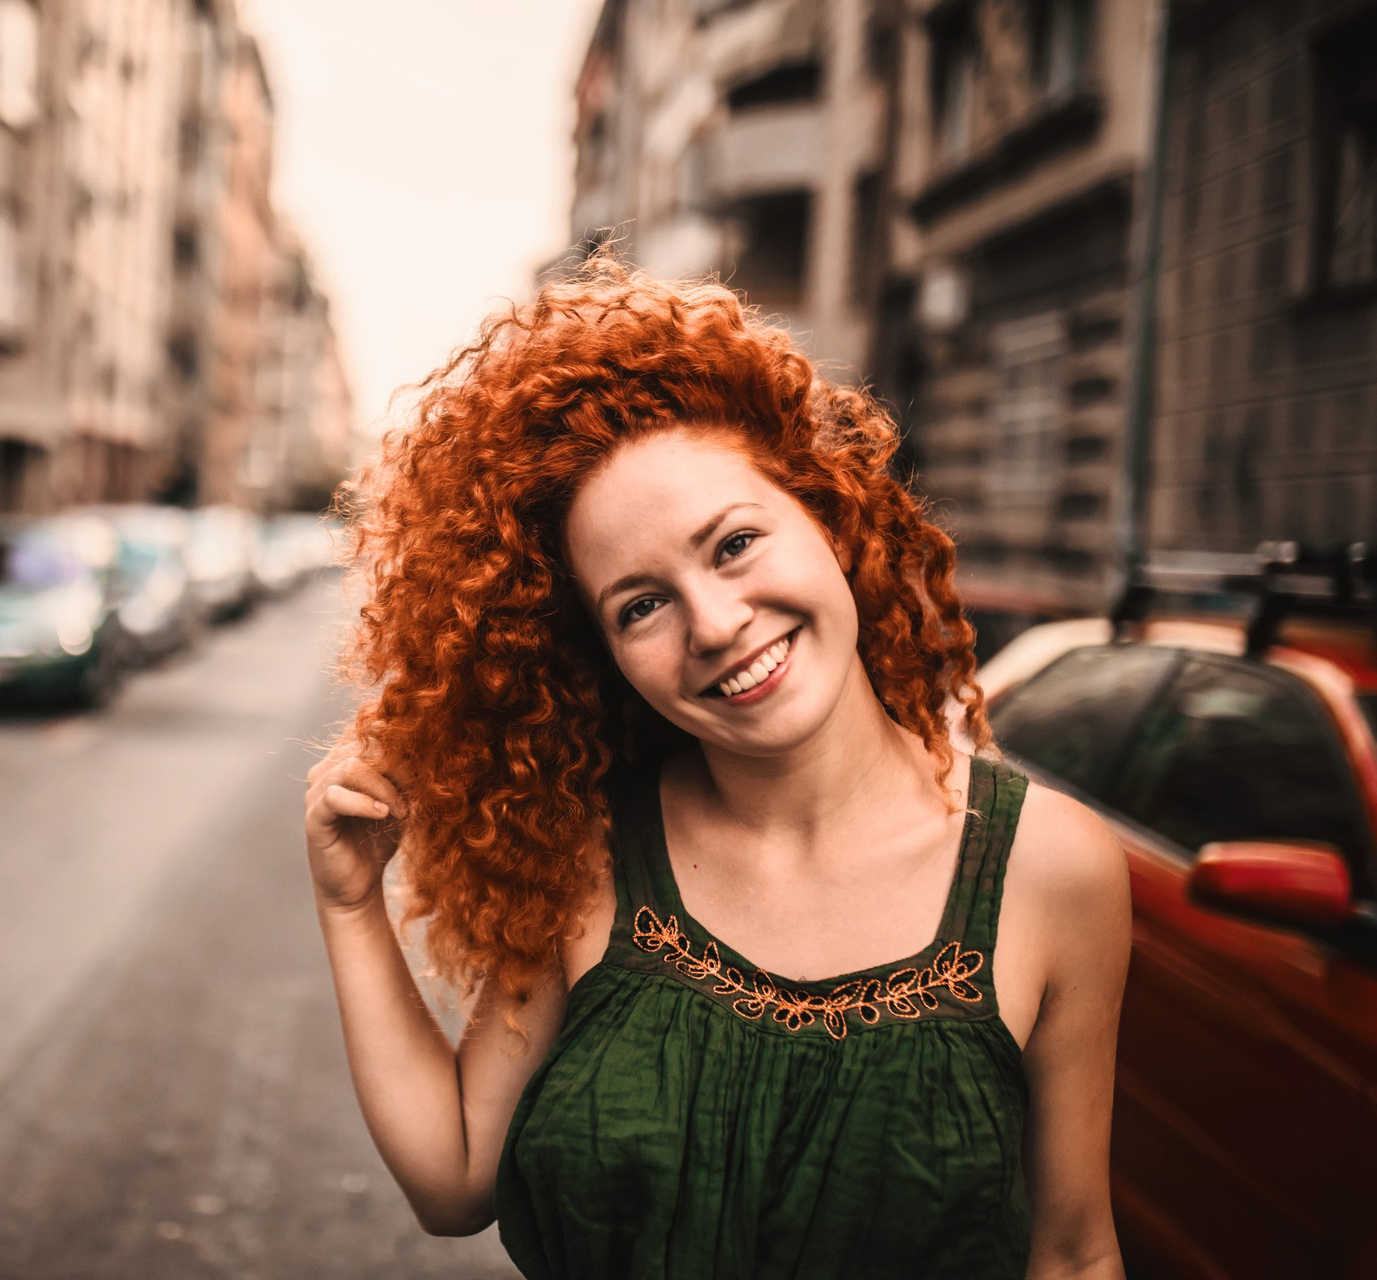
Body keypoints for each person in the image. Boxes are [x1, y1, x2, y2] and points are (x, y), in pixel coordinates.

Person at [304, 263, 1130, 1279]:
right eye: (641, 604)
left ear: (826, 513)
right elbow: (456, 1175)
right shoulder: (591, 851)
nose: (716, 622)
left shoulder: (1054, 868)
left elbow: (1074, 1251)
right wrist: (351, 904)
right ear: (597, 653)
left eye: (735, 543)